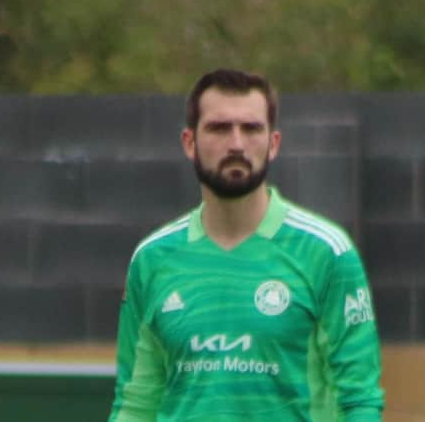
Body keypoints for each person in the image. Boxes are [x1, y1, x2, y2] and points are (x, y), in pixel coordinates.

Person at [108, 68, 385, 422]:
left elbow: (359, 400)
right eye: (219, 128)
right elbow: (135, 403)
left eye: (251, 128)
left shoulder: (327, 253)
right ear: (190, 142)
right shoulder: (151, 259)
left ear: (273, 144)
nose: (236, 143)